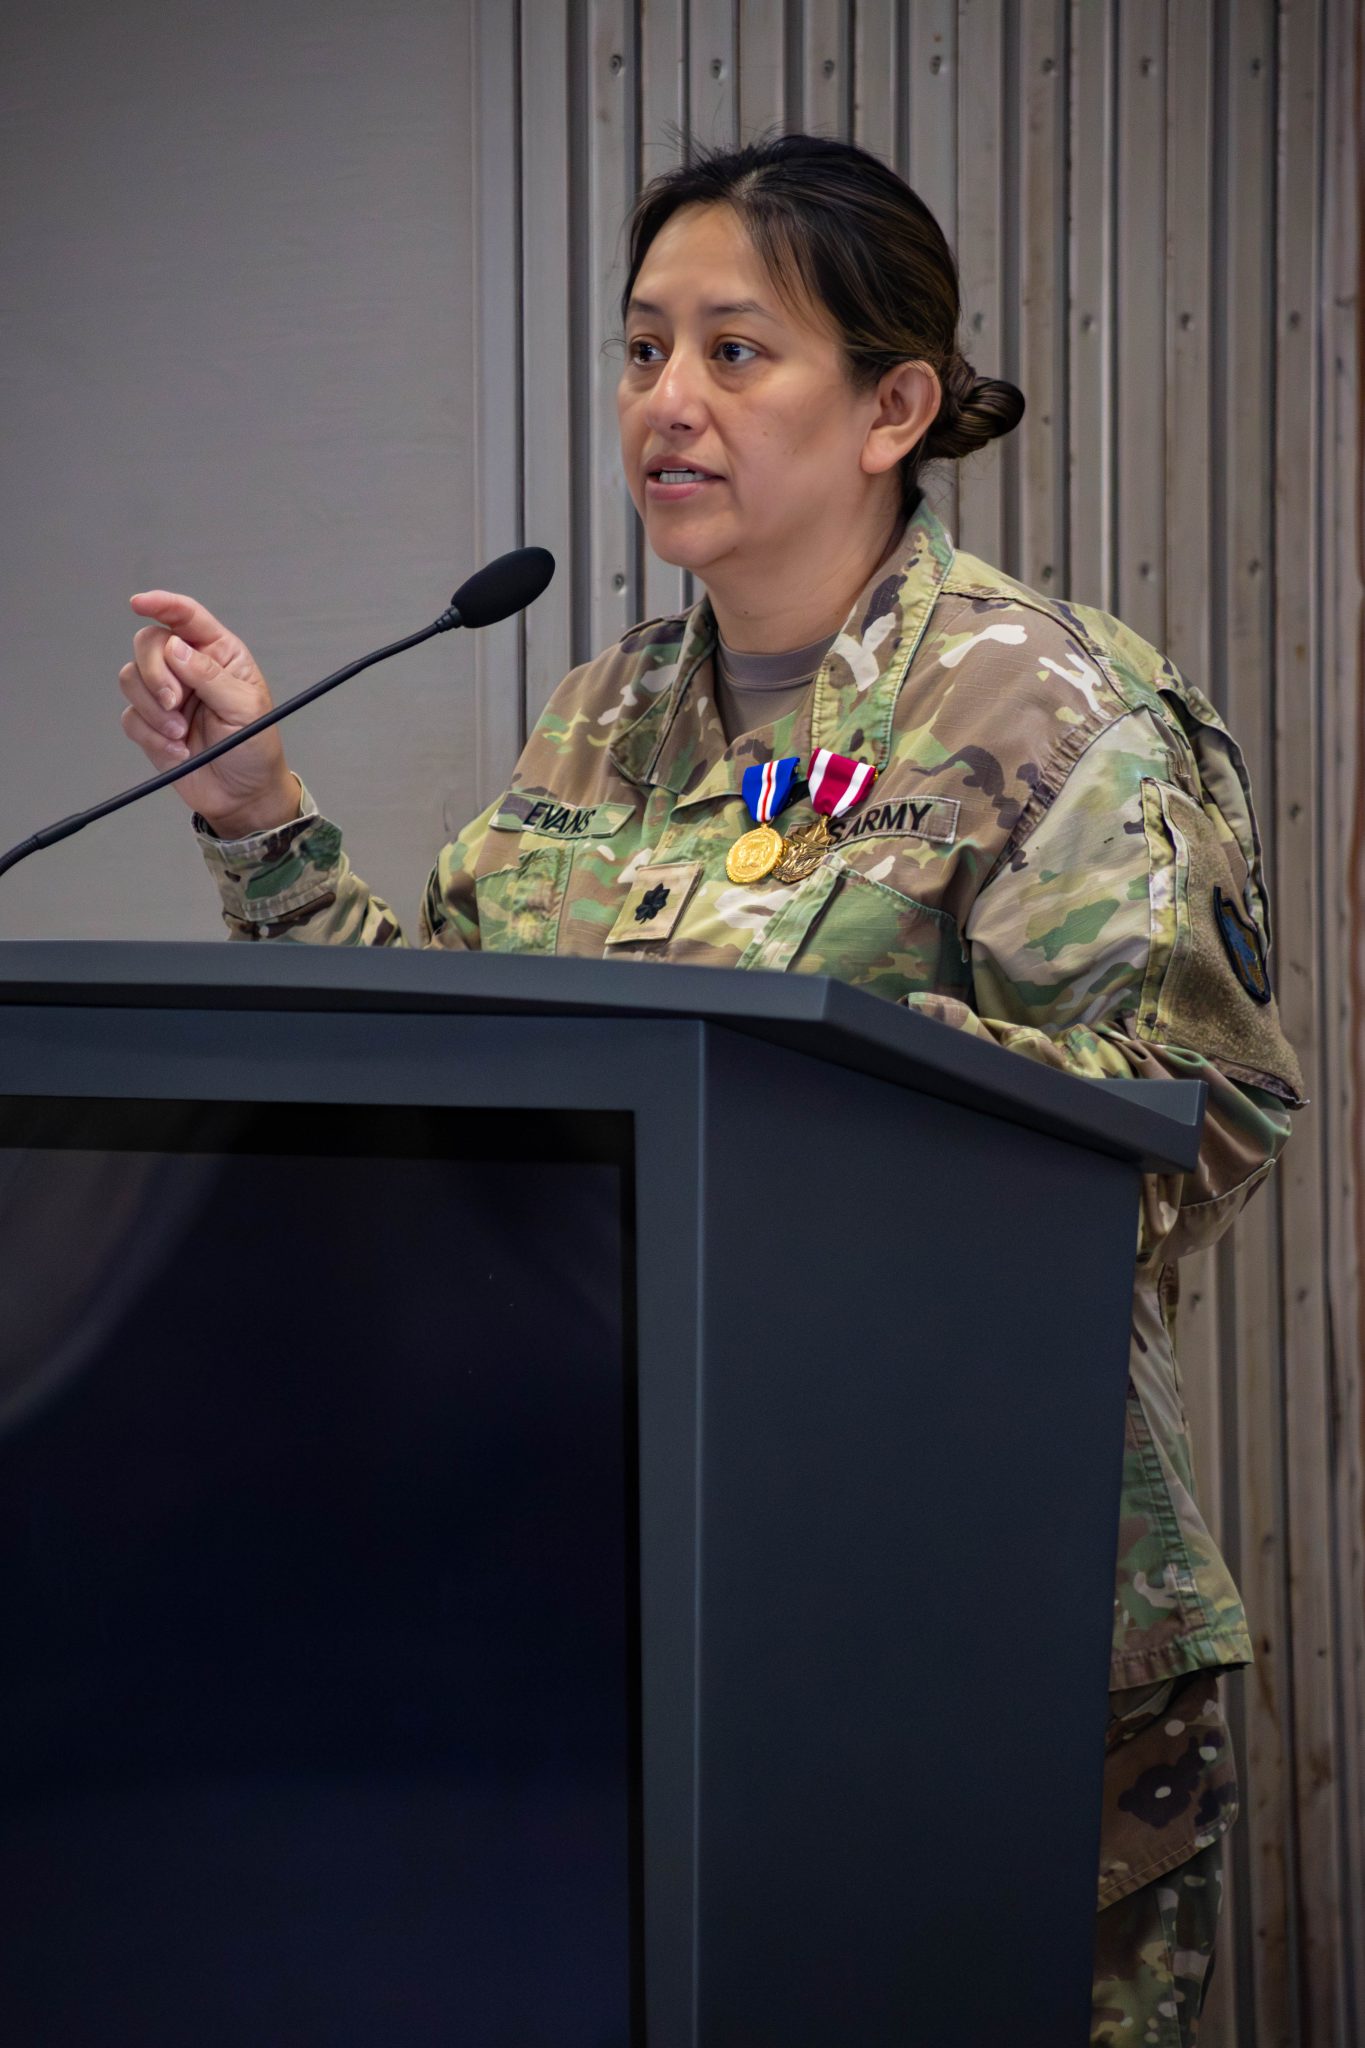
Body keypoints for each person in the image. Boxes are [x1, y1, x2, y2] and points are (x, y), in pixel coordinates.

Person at [118, 134, 1303, 2042]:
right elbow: (457, 1077)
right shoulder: (599, 719)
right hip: (614, 1591)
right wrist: (260, 815)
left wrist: (792, 1087)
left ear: (891, 409)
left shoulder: (1046, 710)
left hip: (965, 1602)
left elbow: (1199, 1113)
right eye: (642, 347)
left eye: (735, 352)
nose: (668, 400)